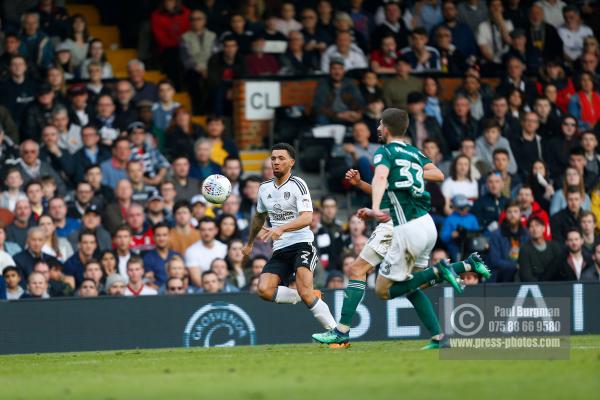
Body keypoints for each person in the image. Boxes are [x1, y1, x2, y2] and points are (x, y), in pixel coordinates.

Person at [314, 108, 489, 348]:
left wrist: (374, 208)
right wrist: (364, 184)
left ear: (386, 128)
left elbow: (381, 180)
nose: (377, 129)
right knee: (414, 284)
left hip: (399, 225)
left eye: (378, 125)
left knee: (366, 277)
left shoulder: (384, 152)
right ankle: (443, 325)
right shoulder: (413, 152)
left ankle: (341, 331)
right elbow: (437, 174)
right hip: (426, 223)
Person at [242, 143, 337, 333]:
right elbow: (259, 217)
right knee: (264, 290)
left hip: (302, 245)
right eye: (273, 158)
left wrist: (281, 229)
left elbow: (307, 217)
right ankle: (308, 295)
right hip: (280, 249)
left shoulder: (298, 185)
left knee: (304, 289)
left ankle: (337, 334)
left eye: (281, 158)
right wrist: (250, 243)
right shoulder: (264, 188)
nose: (276, 162)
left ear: (291, 162)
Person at [180, 9, 216, 115]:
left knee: (214, 82)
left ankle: (212, 114)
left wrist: (208, 70)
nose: (195, 22)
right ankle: (198, 113)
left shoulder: (212, 36)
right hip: (194, 70)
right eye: (193, 19)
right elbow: (186, 58)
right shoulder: (185, 37)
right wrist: (200, 69)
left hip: (211, 69)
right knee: (193, 80)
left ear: (204, 21)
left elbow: (216, 55)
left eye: (198, 19)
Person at [313, 57, 365, 126]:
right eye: (334, 69)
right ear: (330, 70)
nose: (337, 72)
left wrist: (358, 113)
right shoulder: (323, 84)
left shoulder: (350, 83)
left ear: (343, 71)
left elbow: (360, 101)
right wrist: (337, 115)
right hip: (331, 116)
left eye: (340, 69)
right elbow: (318, 107)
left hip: (348, 114)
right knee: (321, 118)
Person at [488, 201, 530, 282]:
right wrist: (515, 266)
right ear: (505, 214)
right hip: (502, 276)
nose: (512, 215)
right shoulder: (496, 235)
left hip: (523, 273)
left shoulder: (526, 234)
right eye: (509, 212)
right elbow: (495, 261)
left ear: (520, 214)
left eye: (515, 211)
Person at [185, 217, 227, 288]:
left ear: (216, 231)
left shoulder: (224, 248)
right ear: (199, 231)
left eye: (210, 229)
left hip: (223, 288)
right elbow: (196, 280)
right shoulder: (191, 251)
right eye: (203, 230)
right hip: (202, 291)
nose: (207, 233)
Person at [519, 216, 562, 282]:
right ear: (528, 230)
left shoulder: (555, 246)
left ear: (544, 228)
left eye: (537, 225)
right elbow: (526, 276)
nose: (534, 229)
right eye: (531, 226)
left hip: (554, 285)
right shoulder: (524, 250)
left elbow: (561, 269)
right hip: (535, 288)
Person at [441, 195, 481, 261]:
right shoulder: (449, 219)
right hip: (455, 245)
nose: (464, 210)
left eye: (466, 207)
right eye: (461, 208)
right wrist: (452, 235)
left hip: (470, 244)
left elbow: (477, 233)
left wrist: (470, 234)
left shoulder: (472, 218)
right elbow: (444, 237)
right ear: (455, 208)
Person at [142, 222, 177, 288]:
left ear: (169, 237)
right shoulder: (148, 258)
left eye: (164, 235)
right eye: (158, 235)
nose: (161, 239)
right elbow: (149, 283)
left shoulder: (176, 256)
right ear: (153, 237)